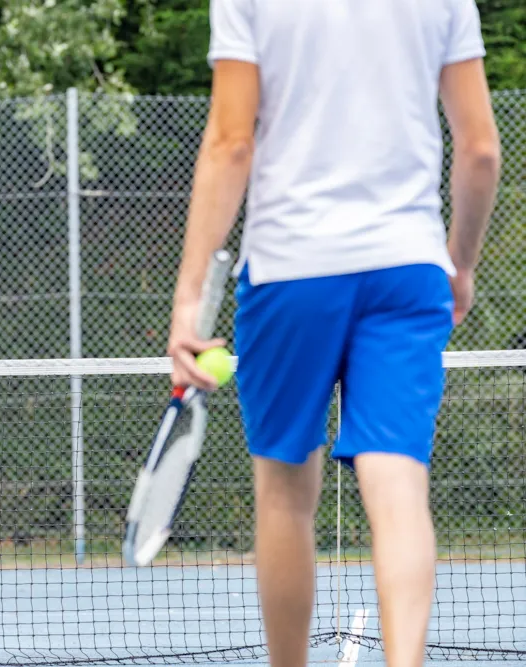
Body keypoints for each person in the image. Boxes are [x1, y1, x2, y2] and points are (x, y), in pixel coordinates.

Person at [167, 3, 501, 667]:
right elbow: (481, 149)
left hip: (290, 271)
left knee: (286, 494)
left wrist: (188, 298)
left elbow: (231, 142)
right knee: (401, 486)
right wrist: (459, 263)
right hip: (408, 270)